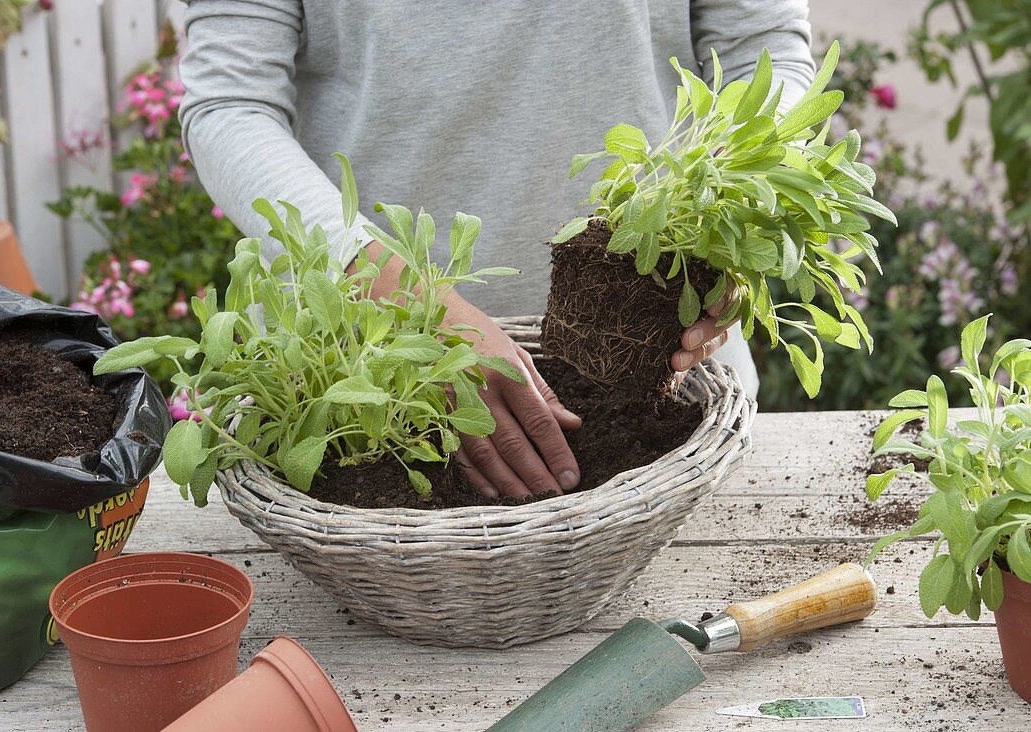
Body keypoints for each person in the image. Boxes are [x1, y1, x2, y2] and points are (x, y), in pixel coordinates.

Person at [179, 1, 816, 498]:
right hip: (360, 385)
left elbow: (764, 55)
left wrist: (725, 226)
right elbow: (232, 104)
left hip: (658, 377)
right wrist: (415, 306)